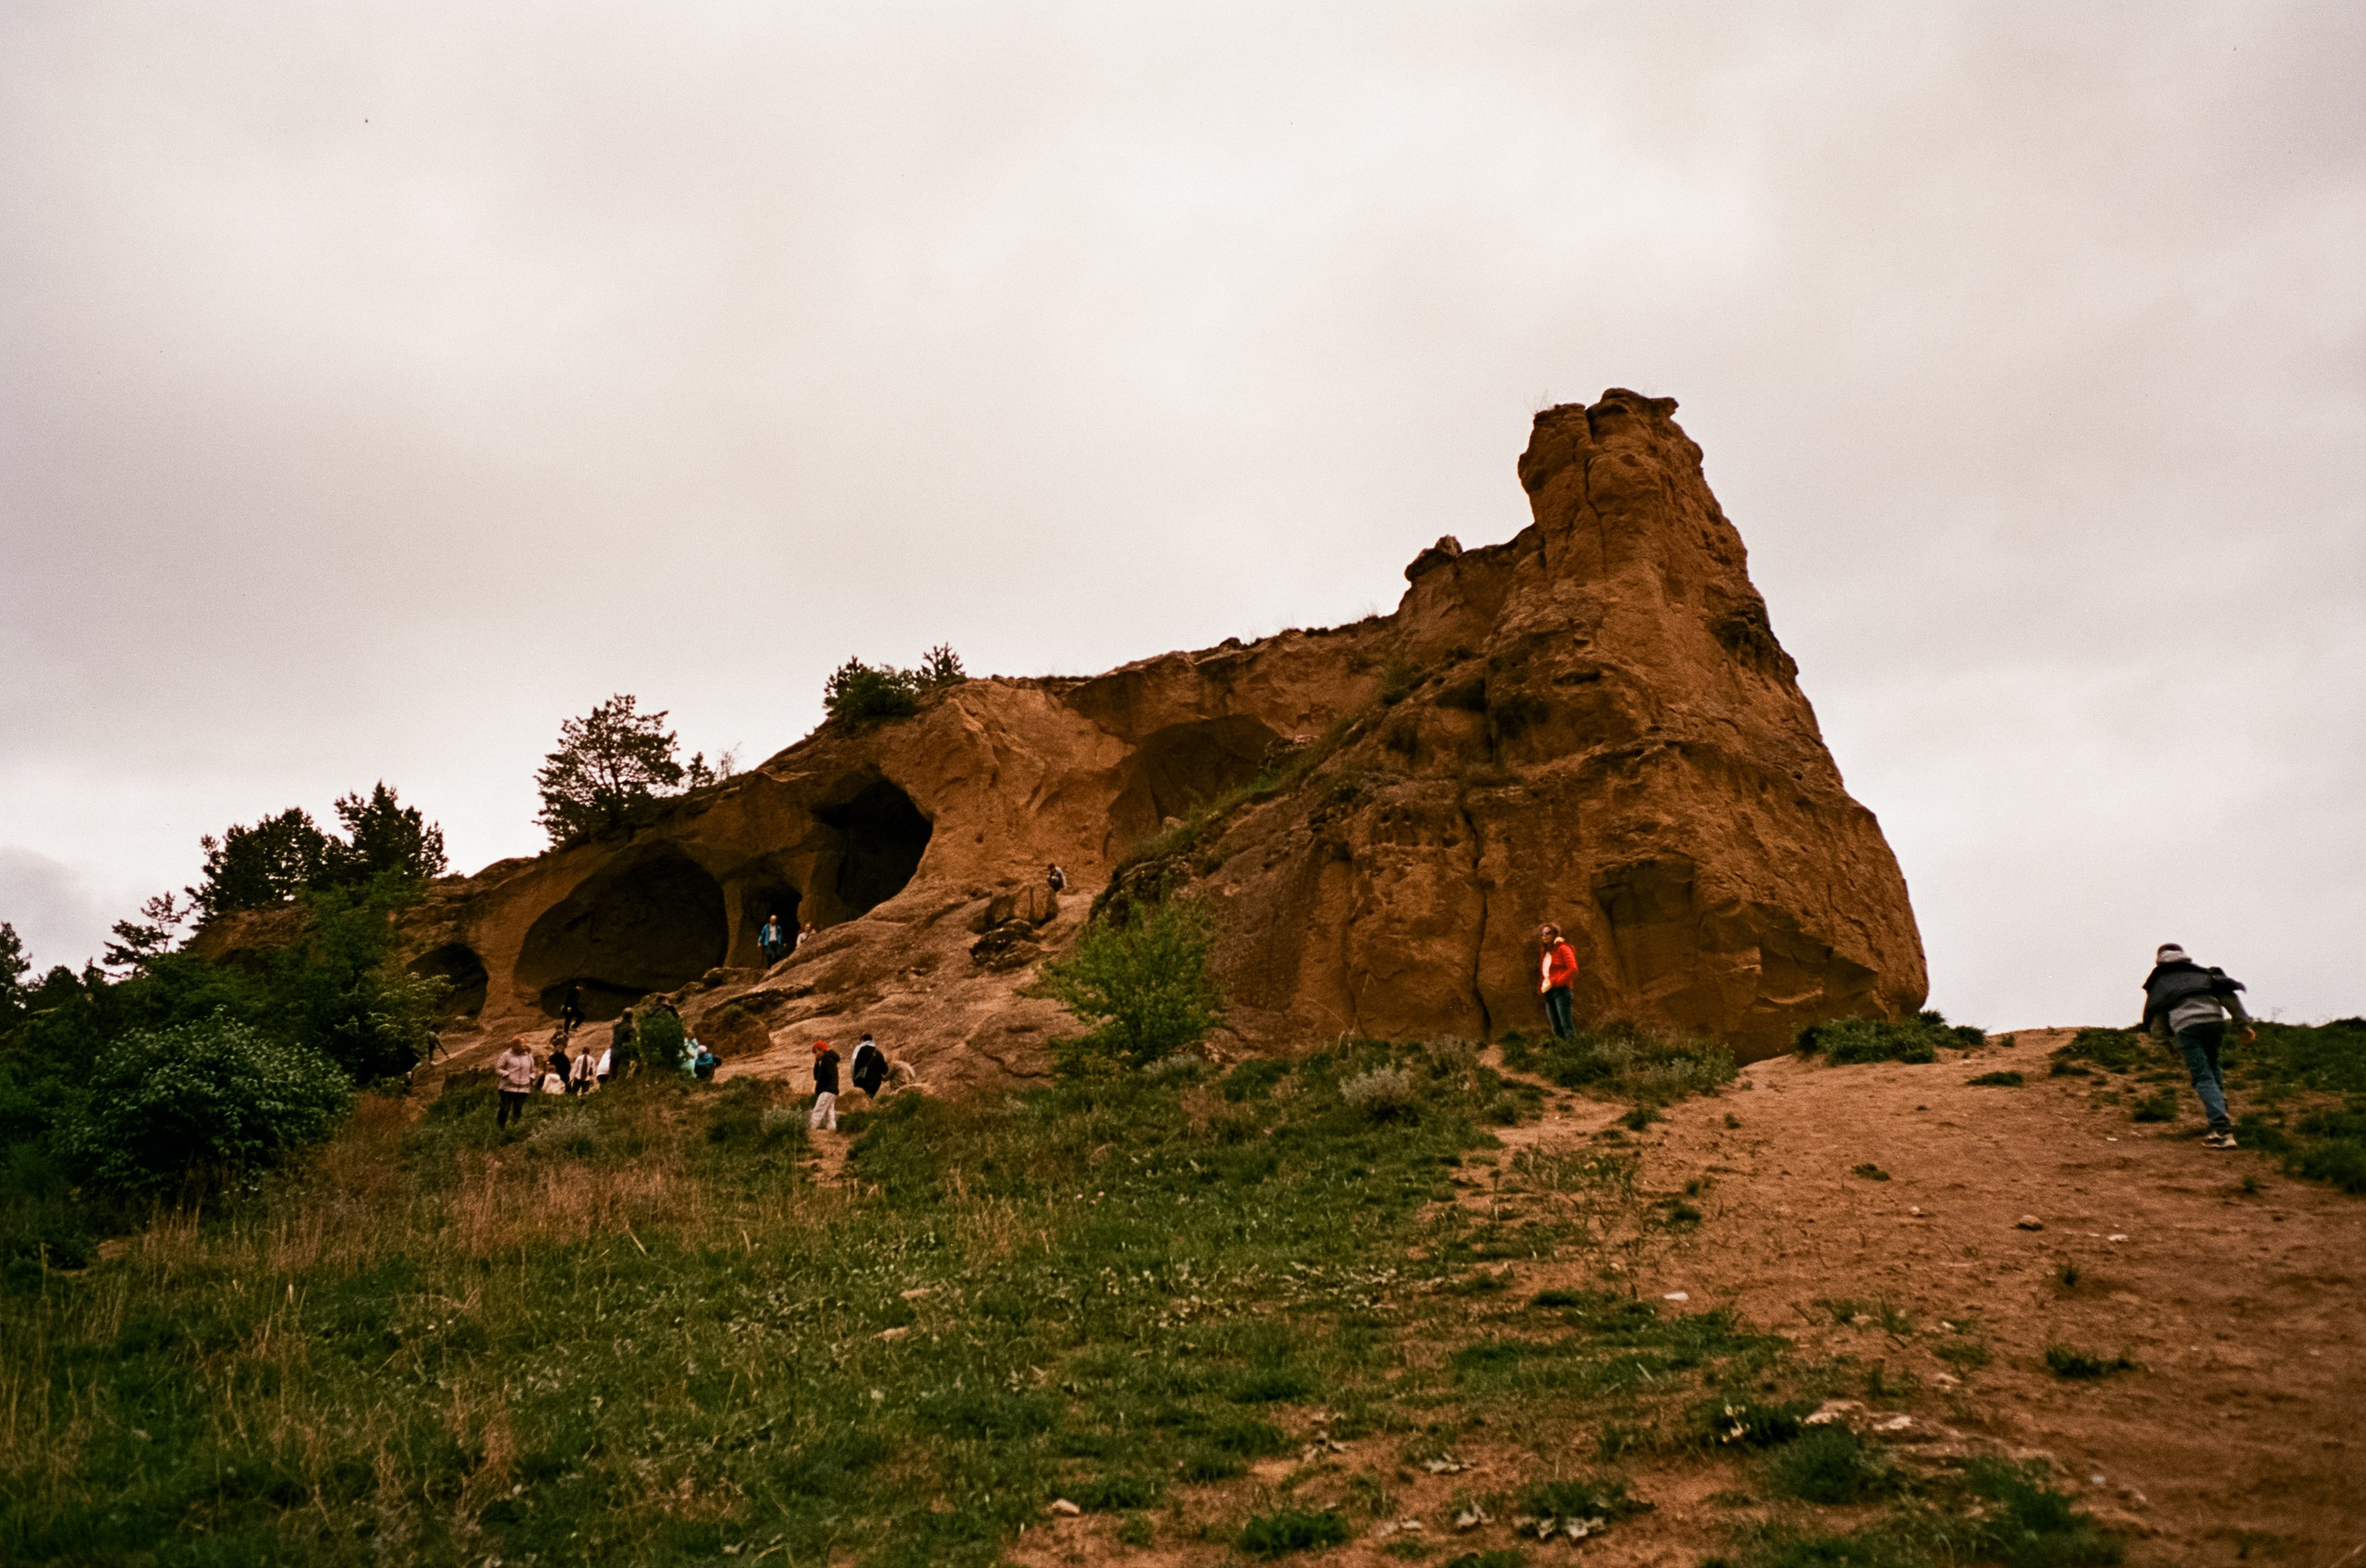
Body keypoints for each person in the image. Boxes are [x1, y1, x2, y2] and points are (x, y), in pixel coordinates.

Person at [2141, 942, 2254, 1149]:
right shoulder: (2201, 973)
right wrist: (2243, 1025)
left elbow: (2156, 1017)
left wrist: (2167, 1044)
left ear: (2159, 959)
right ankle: (2220, 1115)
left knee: (2202, 1076)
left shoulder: (2160, 982)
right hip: (2214, 1022)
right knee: (2213, 1067)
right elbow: (2228, 996)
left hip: (2186, 1028)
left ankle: (2221, 1130)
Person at [1537, 924, 1579, 1040]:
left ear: (1555, 934)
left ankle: (1572, 1051)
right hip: (1549, 991)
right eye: (1542, 934)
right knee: (1556, 1028)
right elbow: (1545, 972)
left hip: (1561, 991)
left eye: (1547, 933)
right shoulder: (1544, 951)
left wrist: (1559, 982)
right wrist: (1542, 986)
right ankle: (1561, 1054)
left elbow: (1573, 968)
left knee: (1566, 1025)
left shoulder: (1563, 948)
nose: (1544, 936)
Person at [494, 1038, 538, 1128]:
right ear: (515, 1044)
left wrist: (531, 1077)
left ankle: (514, 1128)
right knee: (505, 1109)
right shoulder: (506, 1055)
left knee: (518, 1109)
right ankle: (500, 1128)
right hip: (508, 1087)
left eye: (525, 1042)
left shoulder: (529, 1056)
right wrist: (506, 1074)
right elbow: (498, 1069)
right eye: (522, 1043)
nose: (525, 1044)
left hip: (523, 1088)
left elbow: (533, 1070)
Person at [810, 1039, 841, 1131]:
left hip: (827, 1089)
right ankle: (832, 1130)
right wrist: (816, 1063)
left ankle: (810, 1130)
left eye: (816, 1052)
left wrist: (820, 1087)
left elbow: (822, 1076)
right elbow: (817, 1077)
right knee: (829, 1112)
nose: (815, 1054)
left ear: (821, 1050)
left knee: (818, 1110)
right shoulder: (829, 1059)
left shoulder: (826, 1059)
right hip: (832, 1089)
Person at [850, 1032, 888, 1099]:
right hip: (876, 1082)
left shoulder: (859, 1049)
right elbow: (885, 1070)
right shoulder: (878, 1052)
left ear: (862, 1040)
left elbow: (853, 1064)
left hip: (862, 1080)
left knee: (862, 1100)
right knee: (869, 1099)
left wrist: (854, 1078)